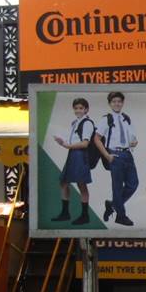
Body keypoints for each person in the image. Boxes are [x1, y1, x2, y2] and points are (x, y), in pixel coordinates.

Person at [94, 90, 138, 226]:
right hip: (115, 155)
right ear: (110, 103)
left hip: (127, 154)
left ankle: (112, 205)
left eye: (119, 101)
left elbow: (133, 137)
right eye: (114, 101)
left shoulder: (126, 118)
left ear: (122, 103)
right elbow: (97, 139)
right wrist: (107, 155)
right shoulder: (106, 119)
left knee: (133, 184)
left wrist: (134, 142)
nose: (117, 104)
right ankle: (121, 215)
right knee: (117, 187)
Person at [51, 96, 95, 224]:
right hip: (73, 153)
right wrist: (63, 142)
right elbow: (74, 140)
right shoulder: (75, 122)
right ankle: (65, 213)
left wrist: (67, 145)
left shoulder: (87, 123)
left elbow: (85, 143)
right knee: (64, 182)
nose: (78, 110)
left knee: (81, 184)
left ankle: (84, 215)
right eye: (76, 108)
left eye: (81, 108)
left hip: (80, 155)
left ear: (86, 109)